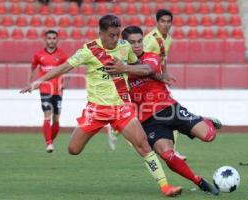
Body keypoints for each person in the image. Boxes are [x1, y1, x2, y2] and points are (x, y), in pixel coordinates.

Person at [21, 15, 182, 197]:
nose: (115, 39)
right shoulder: (88, 50)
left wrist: (158, 76)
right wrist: (39, 81)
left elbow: (139, 66)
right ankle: (102, 130)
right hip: (96, 110)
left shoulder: (124, 46)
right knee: (73, 150)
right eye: (112, 35)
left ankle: (165, 187)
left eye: (118, 34)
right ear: (101, 34)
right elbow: (65, 67)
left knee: (143, 145)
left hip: (122, 108)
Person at [107, 25, 221, 195]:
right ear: (124, 43)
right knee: (167, 155)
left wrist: (124, 69)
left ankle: (206, 120)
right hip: (149, 121)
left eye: (139, 41)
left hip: (170, 109)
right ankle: (199, 181)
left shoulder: (151, 57)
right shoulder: (116, 65)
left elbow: (148, 69)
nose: (137, 46)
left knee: (209, 136)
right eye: (132, 42)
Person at [28, 30, 68, 153]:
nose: (51, 40)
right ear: (45, 40)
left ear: (57, 40)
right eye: (49, 38)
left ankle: (50, 140)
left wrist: (64, 82)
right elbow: (33, 67)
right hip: (45, 89)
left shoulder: (62, 55)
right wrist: (30, 83)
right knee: (47, 115)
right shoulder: (38, 55)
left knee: (56, 120)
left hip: (58, 90)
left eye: (54, 38)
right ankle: (49, 143)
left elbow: (66, 69)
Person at [143, 9, 177, 148]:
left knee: (170, 113)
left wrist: (166, 74)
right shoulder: (150, 40)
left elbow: (163, 59)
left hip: (157, 81)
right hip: (147, 81)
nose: (166, 24)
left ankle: (171, 150)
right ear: (157, 22)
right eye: (163, 21)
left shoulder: (168, 39)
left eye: (168, 21)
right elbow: (141, 62)